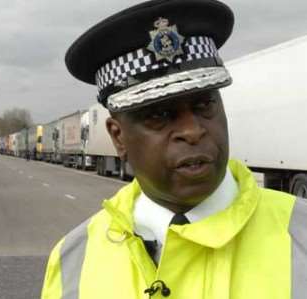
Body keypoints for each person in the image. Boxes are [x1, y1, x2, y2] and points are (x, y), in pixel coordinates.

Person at [41, 0, 307, 298]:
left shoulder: (301, 236)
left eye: (204, 104)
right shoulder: (73, 260)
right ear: (119, 138)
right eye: (159, 115)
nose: (193, 131)